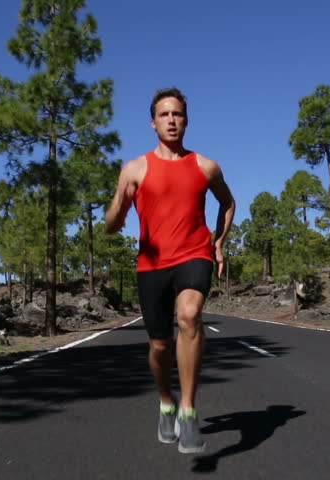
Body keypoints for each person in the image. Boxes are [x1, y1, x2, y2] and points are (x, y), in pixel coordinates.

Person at [104, 87, 235, 453]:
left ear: (186, 121)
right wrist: (120, 202)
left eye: (177, 114)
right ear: (153, 122)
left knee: (190, 316)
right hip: (152, 264)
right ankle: (166, 403)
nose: (172, 120)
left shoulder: (205, 166)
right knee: (160, 344)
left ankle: (189, 411)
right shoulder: (135, 168)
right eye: (165, 114)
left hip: (195, 254)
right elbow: (112, 225)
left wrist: (219, 243)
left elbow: (227, 202)